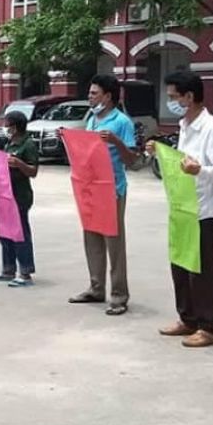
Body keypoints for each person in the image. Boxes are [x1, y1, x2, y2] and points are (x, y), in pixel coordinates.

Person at [148, 71, 213, 347]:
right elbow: (179, 160)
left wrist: (200, 170)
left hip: (203, 208)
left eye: (173, 96)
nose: (170, 101)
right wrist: (159, 150)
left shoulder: (212, 128)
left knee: (202, 270)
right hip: (182, 205)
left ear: (189, 96)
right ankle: (188, 318)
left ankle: (210, 327)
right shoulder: (185, 125)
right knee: (180, 264)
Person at [68, 74, 137, 316]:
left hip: (112, 189)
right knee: (92, 238)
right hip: (91, 188)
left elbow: (133, 160)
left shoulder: (122, 122)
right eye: (89, 93)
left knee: (114, 242)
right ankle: (96, 287)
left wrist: (116, 142)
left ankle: (119, 295)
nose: (89, 97)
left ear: (108, 96)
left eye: (94, 93)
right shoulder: (92, 120)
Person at [0, 111, 39, 286]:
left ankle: (25, 271)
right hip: (6, 194)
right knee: (6, 231)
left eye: (7, 124)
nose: (5, 128)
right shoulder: (10, 143)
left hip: (20, 195)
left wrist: (19, 164)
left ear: (15, 127)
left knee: (20, 232)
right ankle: (8, 268)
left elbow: (33, 171)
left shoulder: (28, 144)